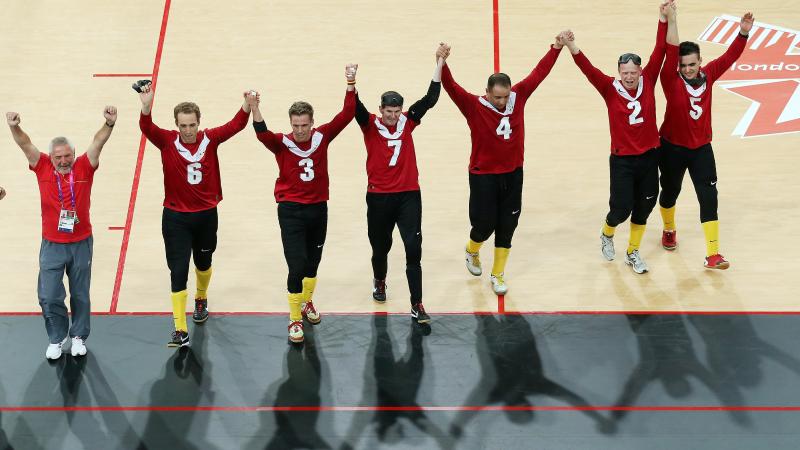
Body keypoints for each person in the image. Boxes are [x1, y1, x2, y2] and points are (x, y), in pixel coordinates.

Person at [442, 35, 564, 294]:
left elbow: (538, 73)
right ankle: (472, 249)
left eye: (505, 96)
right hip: (483, 175)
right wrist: (442, 61)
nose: (502, 102)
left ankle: (497, 274)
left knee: (507, 226)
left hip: (513, 173)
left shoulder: (517, 98)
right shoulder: (473, 105)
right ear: (487, 92)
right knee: (484, 225)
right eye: (497, 97)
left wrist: (556, 47)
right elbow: (450, 86)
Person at [561, 2, 676, 274]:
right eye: (624, 73)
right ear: (618, 72)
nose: (629, 77)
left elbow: (660, 50)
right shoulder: (609, 88)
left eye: (633, 73)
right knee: (621, 209)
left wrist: (662, 18)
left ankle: (633, 252)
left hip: (650, 155)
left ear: (639, 71)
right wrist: (572, 46)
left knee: (646, 205)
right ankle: (607, 232)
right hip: (623, 160)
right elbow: (587, 69)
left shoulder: (649, 78)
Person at [136, 82, 252, 347]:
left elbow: (236, 125)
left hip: (206, 216)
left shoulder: (210, 139)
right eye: (183, 125)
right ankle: (180, 329)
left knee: (203, 263)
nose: (187, 131)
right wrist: (145, 106)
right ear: (176, 125)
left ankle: (201, 297)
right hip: (175, 217)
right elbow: (147, 128)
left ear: (199, 123)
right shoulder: (166, 141)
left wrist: (247, 104)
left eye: (192, 125)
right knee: (177, 271)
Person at [248, 64, 357, 343]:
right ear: (291, 123)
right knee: (296, 265)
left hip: (319, 208)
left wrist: (350, 82)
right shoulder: (282, 143)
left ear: (312, 122)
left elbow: (347, 114)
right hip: (290, 210)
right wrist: (255, 108)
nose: (299, 130)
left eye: (304, 125)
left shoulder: (322, 136)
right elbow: (262, 133)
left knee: (313, 264)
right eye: (295, 125)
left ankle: (307, 302)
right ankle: (294, 317)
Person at [7, 107, 117, 359]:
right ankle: (57, 337)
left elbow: (98, 141)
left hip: (81, 242)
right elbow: (25, 144)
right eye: (59, 158)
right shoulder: (42, 166)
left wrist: (108, 124)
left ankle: (78, 336)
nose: (64, 161)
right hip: (52, 244)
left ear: (74, 155)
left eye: (68, 156)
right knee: (48, 294)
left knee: (80, 293)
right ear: (51, 157)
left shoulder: (84, 167)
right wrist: (14, 126)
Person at [354, 44, 450, 324]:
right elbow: (354, 109)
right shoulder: (370, 124)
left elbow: (430, 98)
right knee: (380, 247)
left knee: (413, 247)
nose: (393, 116)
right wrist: (351, 83)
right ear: (380, 109)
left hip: (408, 195)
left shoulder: (409, 121)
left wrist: (439, 62)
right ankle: (380, 279)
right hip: (379, 197)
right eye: (389, 111)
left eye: (397, 111)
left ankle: (417, 303)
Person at [658, 12, 754, 270]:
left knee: (709, 198)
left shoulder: (710, 74)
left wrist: (743, 32)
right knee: (669, 193)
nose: (688, 69)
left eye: (692, 64)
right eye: (683, 65)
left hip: (701, 149)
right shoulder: (670, 79)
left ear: (701, 61)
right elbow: (671, 48)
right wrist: (673, 20)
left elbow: (731, 56)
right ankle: (669, 229)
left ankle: (713, 254)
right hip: (671, 148)